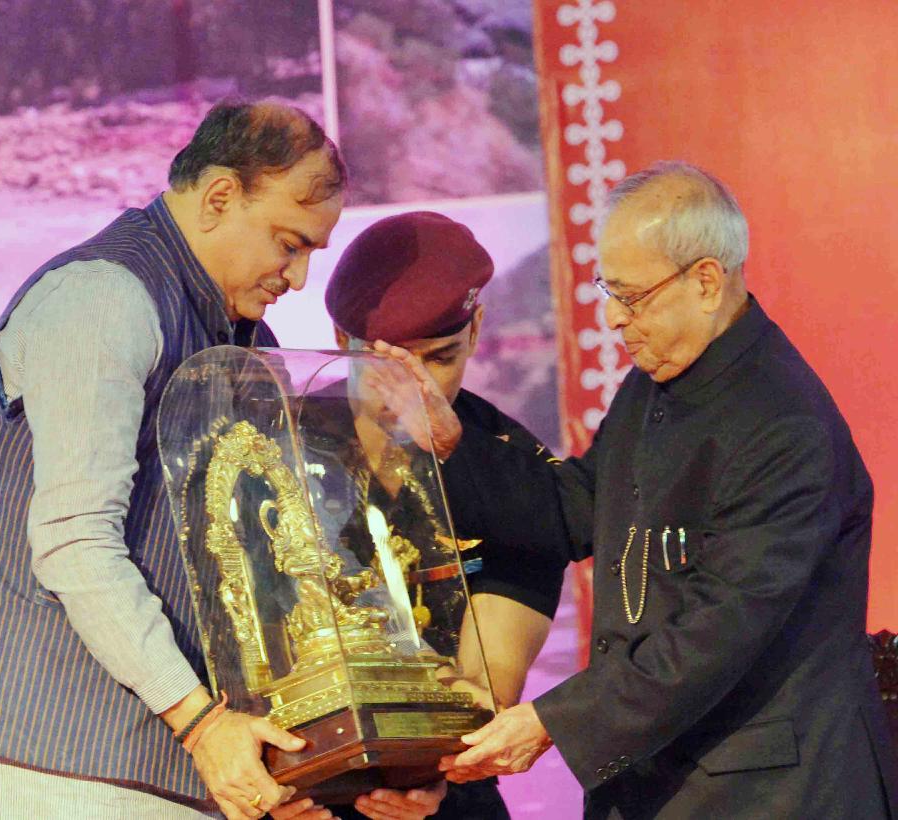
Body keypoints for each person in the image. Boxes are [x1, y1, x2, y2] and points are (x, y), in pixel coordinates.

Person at [372, 162, 898, 817]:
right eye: (607, 290)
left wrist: (551, 722)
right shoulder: (658, 379)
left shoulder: (784, 426)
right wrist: (452, 444)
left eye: (632, 296)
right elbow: (575, 509)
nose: (614, 318)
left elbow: (719, 627)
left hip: (769, 792)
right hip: (666, 779)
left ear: (706, 281)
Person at [0, 100, 346, 820]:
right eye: (289, 243)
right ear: (219, 198)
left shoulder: (246, 339)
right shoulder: (103, 298)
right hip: (48, 755)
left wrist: (274, 754)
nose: (297, 278)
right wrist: (203, 726)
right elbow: (75, 543)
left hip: (167, 761)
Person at [316, 212, 564, 820]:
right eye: (385, 365)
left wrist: (431, 772)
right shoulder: (271, 440)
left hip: (447, 795)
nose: (415, 391)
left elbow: (489, 683)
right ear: (339, 339)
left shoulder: (515, 477)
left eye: (440, 359)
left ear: (476, 328)